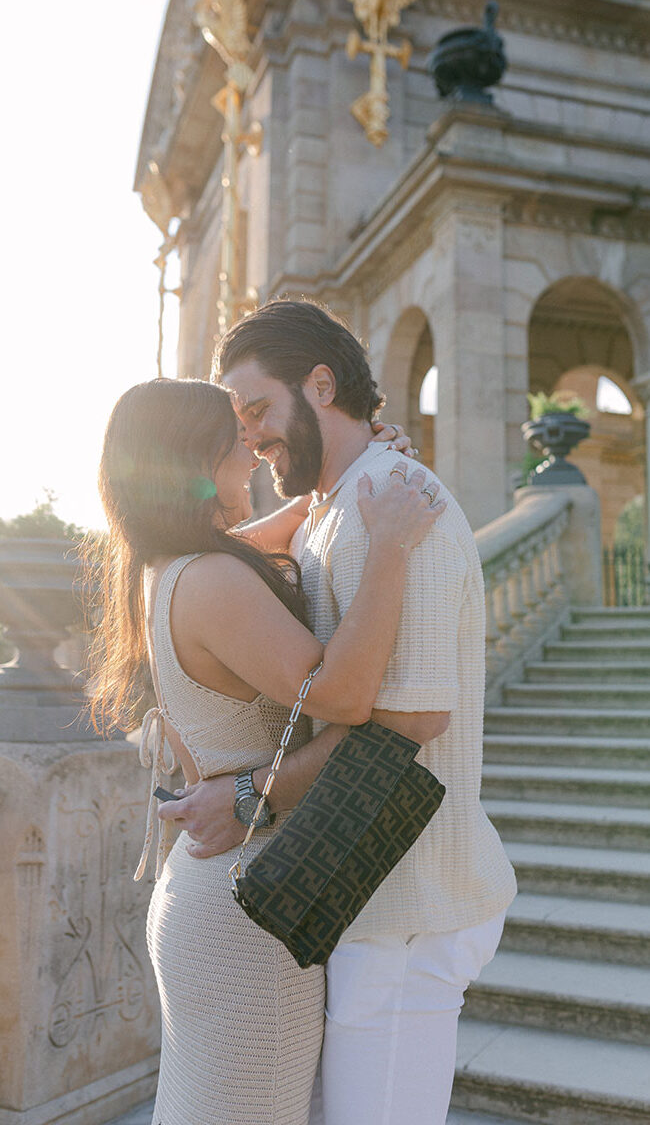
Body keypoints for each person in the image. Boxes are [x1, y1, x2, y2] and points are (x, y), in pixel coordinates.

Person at [160, 300, 518, 1125]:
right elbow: (209, 555)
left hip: (408, 905)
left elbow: (411, 721)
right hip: (356, 893)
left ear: (320, 385)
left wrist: (250, 793)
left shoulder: (400, 503)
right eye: (239, 420)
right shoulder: (334, 507)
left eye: (257, 410)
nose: (248, 437)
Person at [88, 375, 445, 1125]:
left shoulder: (163, 568)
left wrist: (351, 472)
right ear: (193, 460)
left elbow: (285, 524)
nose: (252, 452)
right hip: (249, 910)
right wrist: (388, 545)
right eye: (235, 443)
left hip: (215, 892)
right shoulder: (212, 578)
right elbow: (343, 697)